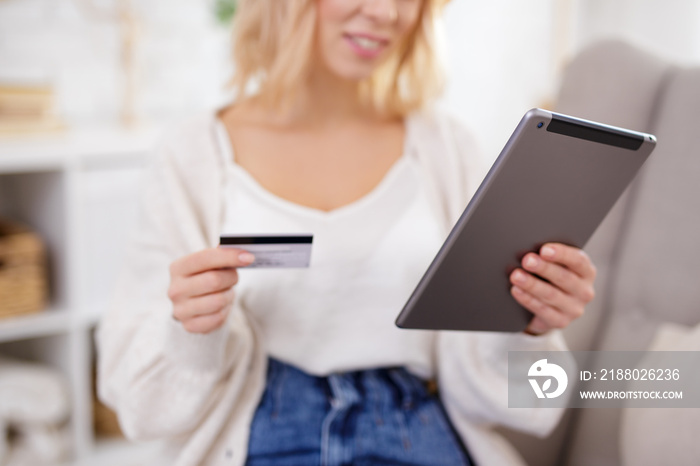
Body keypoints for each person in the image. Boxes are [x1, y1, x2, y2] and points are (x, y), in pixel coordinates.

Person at [96, 0, 597, 465]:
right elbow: (135, 399)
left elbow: (536, 397)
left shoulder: (447, 149)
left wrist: (528, 326)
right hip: (258, 431)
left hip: (418, 428)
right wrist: (192, 330)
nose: (386, 12)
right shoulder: (192, 154)